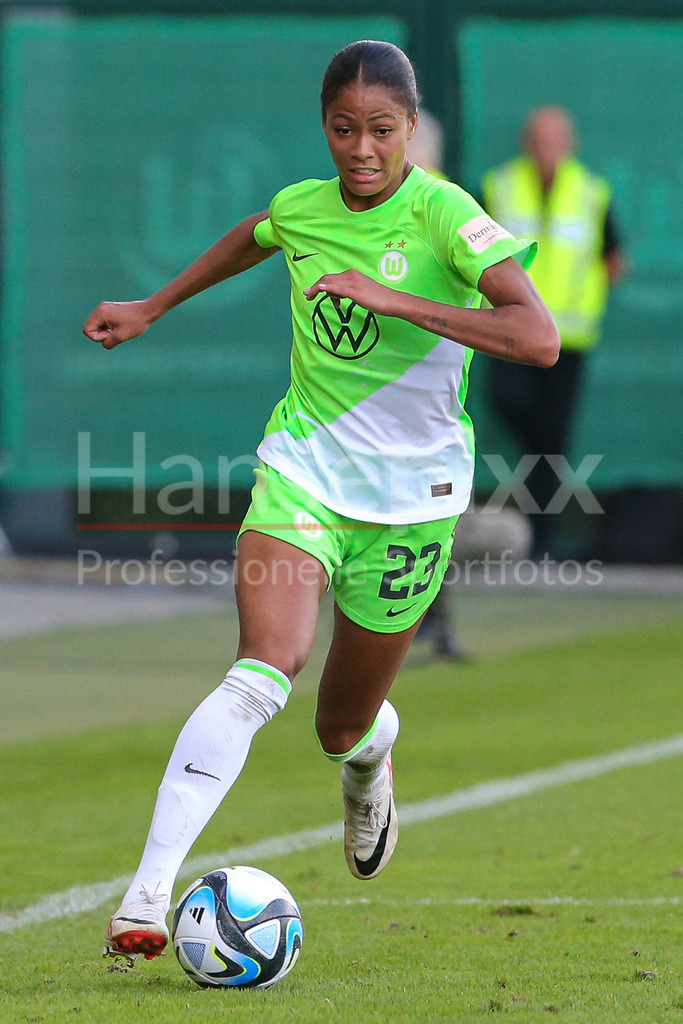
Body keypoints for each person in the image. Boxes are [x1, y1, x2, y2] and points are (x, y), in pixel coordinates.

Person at [83, 39, 559, 966]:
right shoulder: (307, 208)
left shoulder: (443, 215)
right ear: (324, 127)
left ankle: (369, 759)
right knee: (265, 666)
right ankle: (145, 893)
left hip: (414, 503)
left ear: (411, 128)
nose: (362, 149)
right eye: (343, 129)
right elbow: (258, 231)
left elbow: (535, 336)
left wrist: (402, 303)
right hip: (303, 472)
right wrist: (155, 304)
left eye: (381, 130)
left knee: (339, 723)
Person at [483, 106, 625, 558]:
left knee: (553, 444)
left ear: (569, 144)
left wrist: (588, 297)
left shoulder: (591, 192)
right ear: (527, 142)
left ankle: (539, 544)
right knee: (515, 409)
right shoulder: (498, 187)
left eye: (554, 140)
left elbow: (614, 257)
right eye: (539, 139)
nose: (546, 149)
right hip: (509, 329)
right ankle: (535, 448)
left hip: (570, 338)